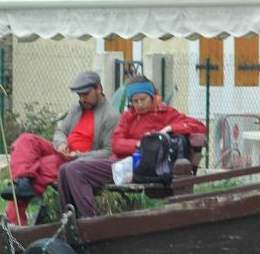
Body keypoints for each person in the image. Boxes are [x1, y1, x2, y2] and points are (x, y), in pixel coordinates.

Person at [57, 76, 206, 218]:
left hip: (144, 167)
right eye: (135, 101)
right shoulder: (129, 116)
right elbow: (116, 143)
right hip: (120, 164)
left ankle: (90, 220)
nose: (139, 104)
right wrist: (140, 143)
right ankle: (69, 220)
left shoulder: (166, 113)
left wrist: (170, 128)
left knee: (74, 169)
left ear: (153, 97)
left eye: (143, 99)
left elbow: (199, 126)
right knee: (66, 170)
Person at [2, 70, 120, 224]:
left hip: (78, 161)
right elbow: (60, 131)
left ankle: (15, 222)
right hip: (61, 150)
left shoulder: (110, 116)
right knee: (25, 140)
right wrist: (61, 143)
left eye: (86, 94)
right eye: (79, 95)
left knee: (39, 169)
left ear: (98, 88)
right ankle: (21, 180)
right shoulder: (76, 109)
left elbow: (108, 152)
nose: (82, 98)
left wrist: (77, 156)